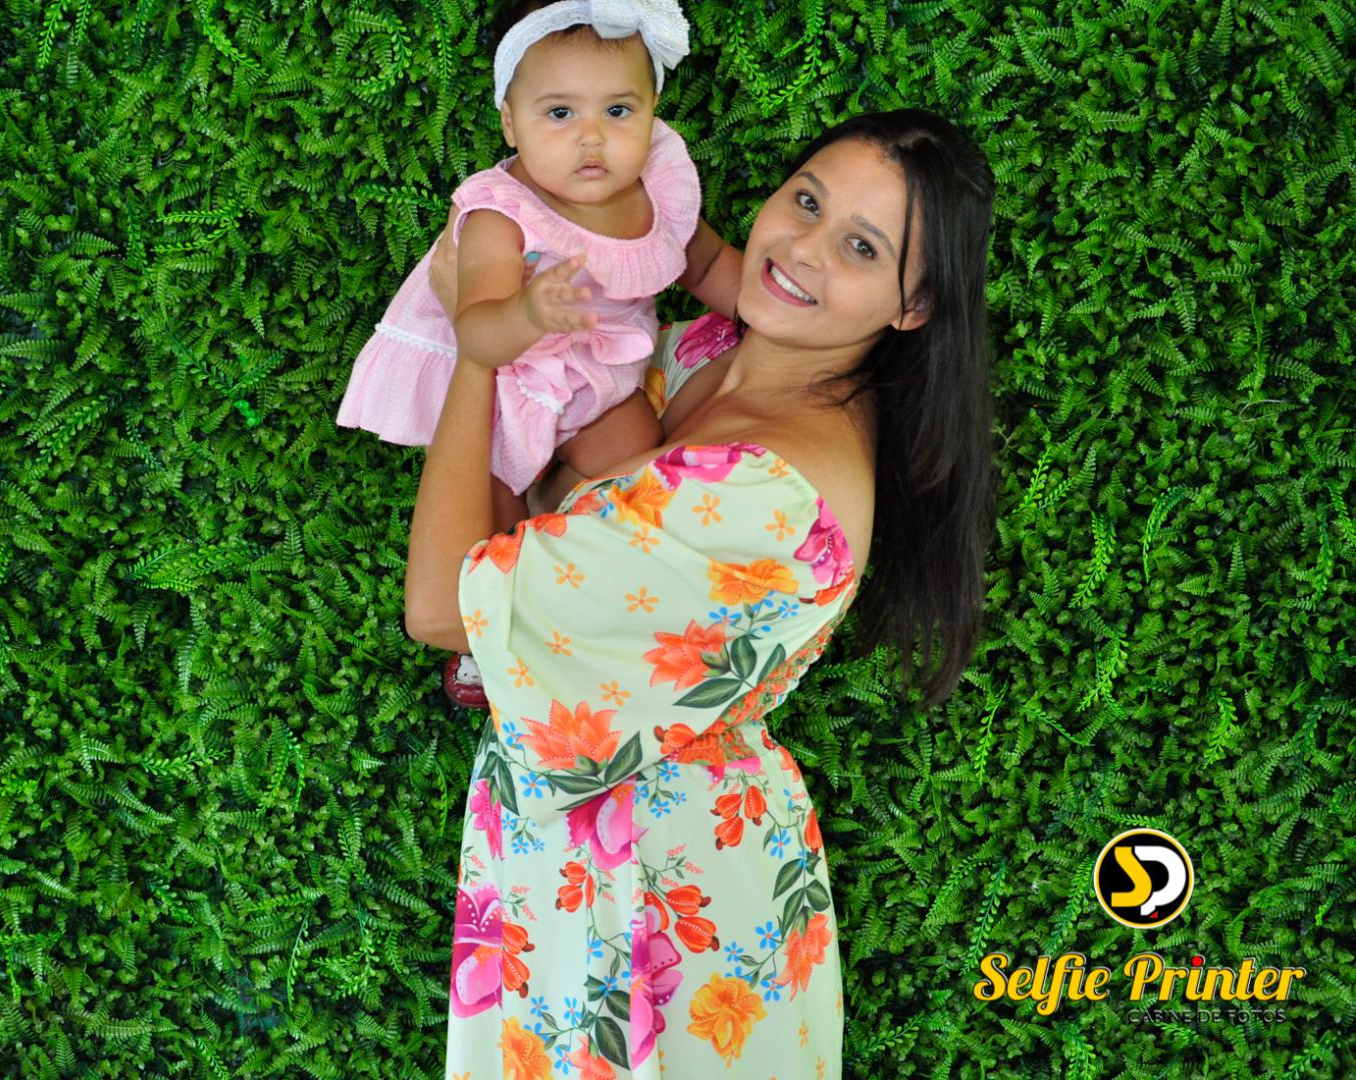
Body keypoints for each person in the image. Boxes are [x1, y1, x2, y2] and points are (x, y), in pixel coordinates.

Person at [405, 106, 997, 1076]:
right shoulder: (694, 352)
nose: (801, 248)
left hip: (664, 903)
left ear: (913, 307)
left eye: (859, 247)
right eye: (805, 201)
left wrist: (479, 345)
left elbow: (440, 606)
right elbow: (509, 523)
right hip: (576, 871)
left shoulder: (769, 498)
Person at [338, 0, 746, 708]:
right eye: (559, 113)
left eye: (618, 111)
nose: (591, 138)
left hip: (600, 385)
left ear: (651, 112)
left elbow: (705, 263)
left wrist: (760, 308)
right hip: (512, 388)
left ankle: (562, 517)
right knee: (488, 517)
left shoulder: (655, 190)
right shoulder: (502, 214)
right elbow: (476, 335)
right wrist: (527, 313)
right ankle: (482, 643)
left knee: (636, 458)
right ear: (510, 122)